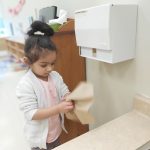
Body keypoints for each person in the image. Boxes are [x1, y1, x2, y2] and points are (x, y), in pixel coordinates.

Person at [16, 21, 74, 150]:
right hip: (38, 139)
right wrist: (58, 108)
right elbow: (31, 113)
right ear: (27, 62)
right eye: (44, 65)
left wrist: (68, 96)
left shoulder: (55, 76)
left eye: (52, 63)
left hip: (55, 131)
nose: (49, 69)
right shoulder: (26, 84)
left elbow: (64, 90)